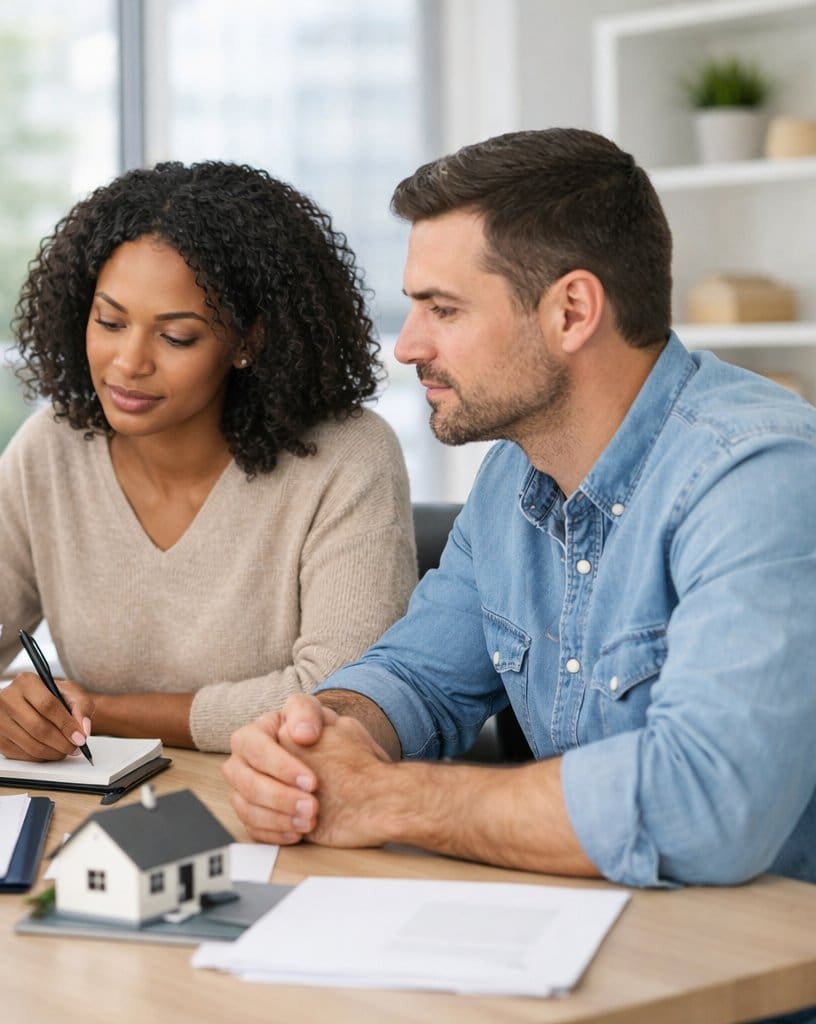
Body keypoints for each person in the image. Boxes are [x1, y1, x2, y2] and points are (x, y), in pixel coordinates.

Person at [223, 127, 816, 891]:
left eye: (443, 309)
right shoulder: (515, 475)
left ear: (572, 310)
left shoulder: (759, 475)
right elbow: (419, 676)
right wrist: (319, 735)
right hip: (594, 942)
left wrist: (389, 797)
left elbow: (708, 804)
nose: (406, 347)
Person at [0, 161, 418, 761]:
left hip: (278, 814)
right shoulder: (55, 447)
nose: (128, 362)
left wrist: (96, 711)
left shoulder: (347, 457)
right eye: (110, 322)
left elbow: (340, 699)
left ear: (249, 341)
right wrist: (1, 712)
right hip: (96, 813)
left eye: (176, 337)